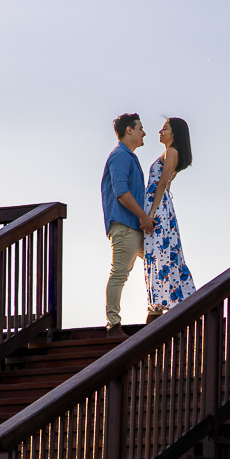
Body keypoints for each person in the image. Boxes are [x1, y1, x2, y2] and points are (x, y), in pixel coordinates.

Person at [100, 113, 154, 335]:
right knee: (120, 273)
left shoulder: (129, 156)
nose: (144, 133)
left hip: (135, 226)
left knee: (156, 262)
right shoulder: (120, 156)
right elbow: (121, 191)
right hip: (125, 225)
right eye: (140, 128)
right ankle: (113, 324)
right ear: (129, 130)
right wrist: (143, 216)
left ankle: (155, 313)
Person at [142, 117, 196, 322]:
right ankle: (161, 301)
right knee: (162, 253)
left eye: (165, 129)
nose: (160, 131)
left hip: (158, 207)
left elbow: (163, 183)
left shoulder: (171, 152)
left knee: (161, 253)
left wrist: (151, 213)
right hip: (161, 206)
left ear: (175, 134)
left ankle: (164, 302)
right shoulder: (169, 153)